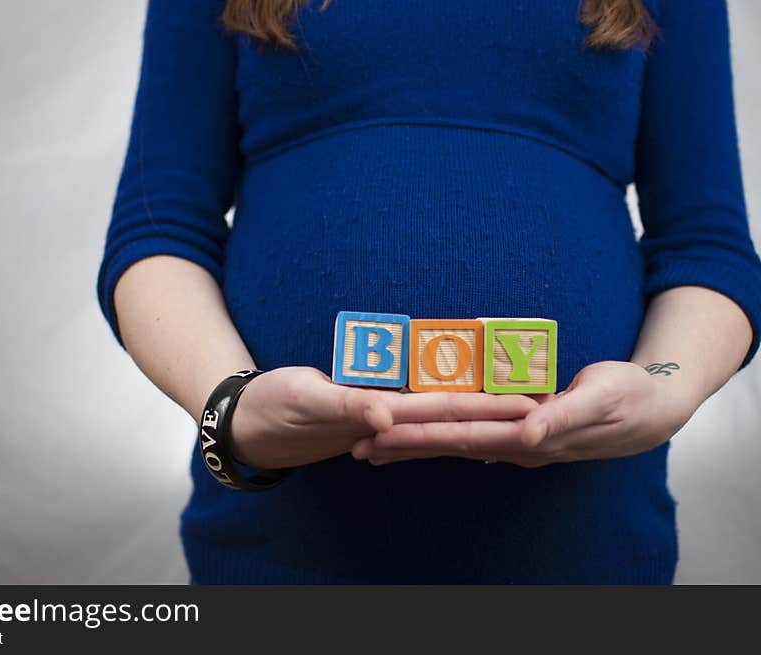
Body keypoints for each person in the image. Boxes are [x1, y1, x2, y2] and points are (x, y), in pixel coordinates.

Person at [97, 0, 761, 583]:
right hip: (282, 551)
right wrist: (230, 409)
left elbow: (708, 246)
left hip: (582, 551)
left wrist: (662, 390)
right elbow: (160, 231)